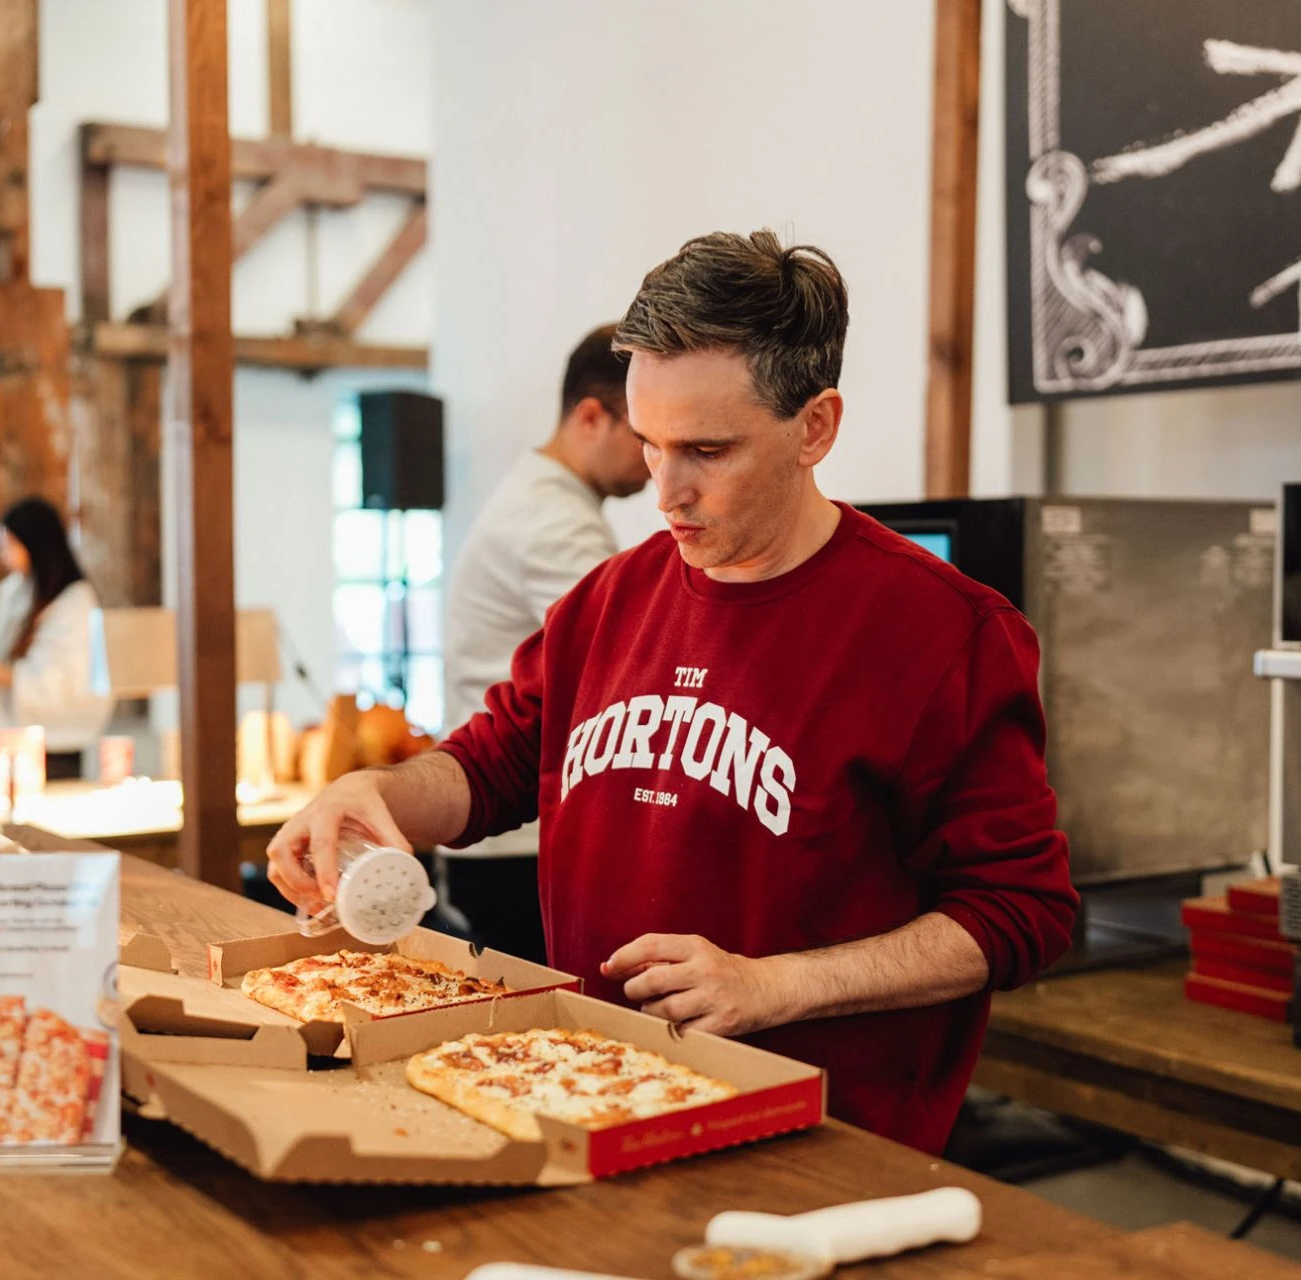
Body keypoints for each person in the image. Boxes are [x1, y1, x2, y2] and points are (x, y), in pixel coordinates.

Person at [269, 230, 1077, 1153]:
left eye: (706, 450)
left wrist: (777, 984)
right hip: (594, 1094)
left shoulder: (944, 633)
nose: (667, 491)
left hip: (823, 1143)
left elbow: (1022, 911)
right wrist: (377, 796)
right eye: (651, 446)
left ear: (815, 426)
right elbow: (495, 766)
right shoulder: (607, 602)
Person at [439, 323, 652, 964]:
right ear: (592, 416)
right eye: (646, 436)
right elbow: (632, 665)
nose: (660, 461)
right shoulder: (553, 522)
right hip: (515, 832)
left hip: (504, 830)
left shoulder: (542, 498)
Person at [0, 497, 112, 782]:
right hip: (0, 733)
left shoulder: (75, 603)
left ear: (36, 544)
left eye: (9, 546)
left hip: (53, 746)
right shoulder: (19, 587)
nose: (3, 557)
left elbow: (50, 683)